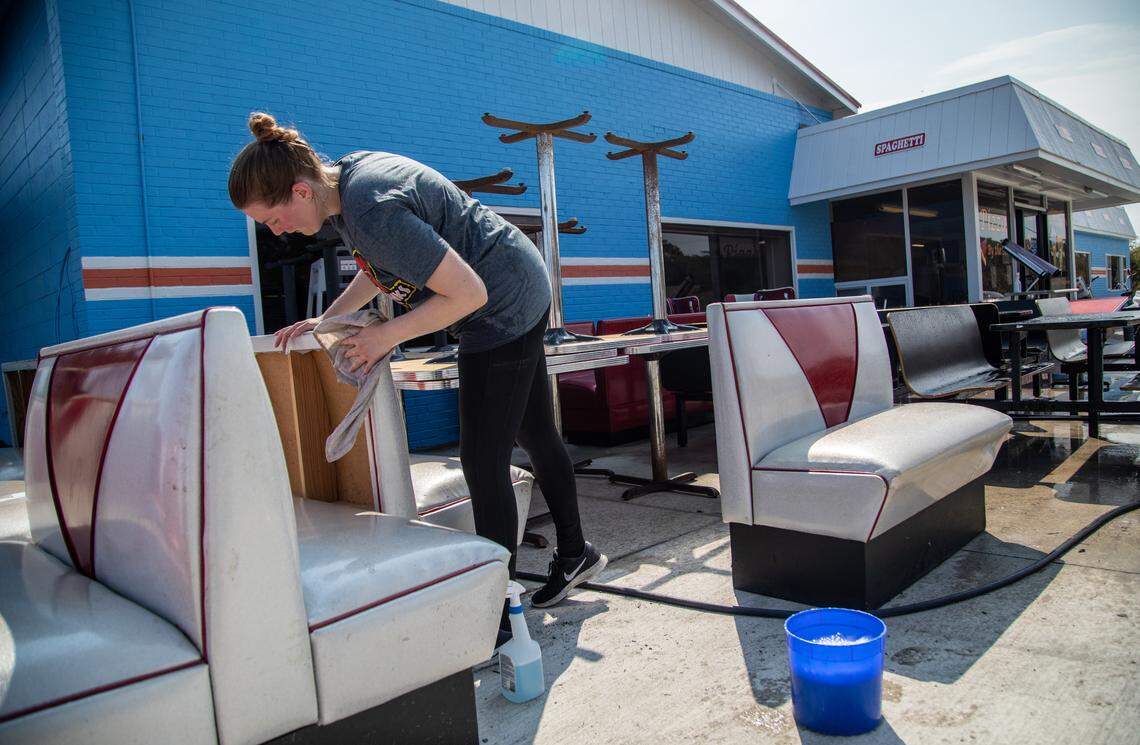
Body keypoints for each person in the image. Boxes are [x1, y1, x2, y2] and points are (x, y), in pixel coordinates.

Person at [228, 112, 606, 642]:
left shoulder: (370, 207)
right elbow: (380, 266)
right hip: (518, 280)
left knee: (482, 460)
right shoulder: (345, 183)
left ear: (300, 190)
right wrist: (329, 320)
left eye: (273, 218)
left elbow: (468, 293)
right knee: (534, 431)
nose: (276, 231)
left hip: (500, 306)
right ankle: (575, 554)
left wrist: (384, 336)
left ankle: (500, 612)